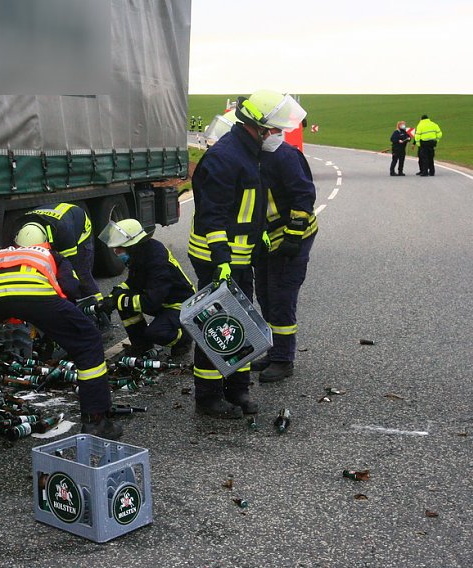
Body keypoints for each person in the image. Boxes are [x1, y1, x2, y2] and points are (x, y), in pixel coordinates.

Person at [188, 90, 306, 419]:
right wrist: (222, 260)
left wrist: (260, 232)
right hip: (219, 260)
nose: (277, 136)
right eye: (275, 130)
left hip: (240, 257)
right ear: (258, 126)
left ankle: (237, 389)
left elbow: (246, 205)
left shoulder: (248, 151)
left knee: (239, 323)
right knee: (216, 325)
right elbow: (213, 215)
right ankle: (208, 397)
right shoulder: (226, 157)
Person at [0, 240, 122, 445]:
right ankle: (96, 420)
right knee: (87, 340)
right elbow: (70, 288)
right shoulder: (52, 255)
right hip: (33, 292)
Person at [252, 132, 318, 383]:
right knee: (266, 295)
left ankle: (283, 359)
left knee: (281, 297)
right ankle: (273, 351)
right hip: (270, 239)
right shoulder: (257, 156)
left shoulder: (286, 156)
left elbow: (303, 195)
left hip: (291, 238)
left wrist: (294, 233)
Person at [96, 219, 196, 359]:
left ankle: (184, 339)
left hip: (181, 304)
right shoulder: (139, 254)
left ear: (132, 245)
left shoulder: (157, 260)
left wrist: (118, 301)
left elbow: (151, 302)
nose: (116, 252)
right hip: (162, 300)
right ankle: (141, 346)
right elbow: (133, 283)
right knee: (122, 298)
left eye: (119, 248)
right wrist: (113, 296)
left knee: (156, 333)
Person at [15, 203, 100, 301]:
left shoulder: (64, 230)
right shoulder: (20, 228)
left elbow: (70, 266)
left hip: (79, 231)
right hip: (55, 226)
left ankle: (98, 305)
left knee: (81, 274)